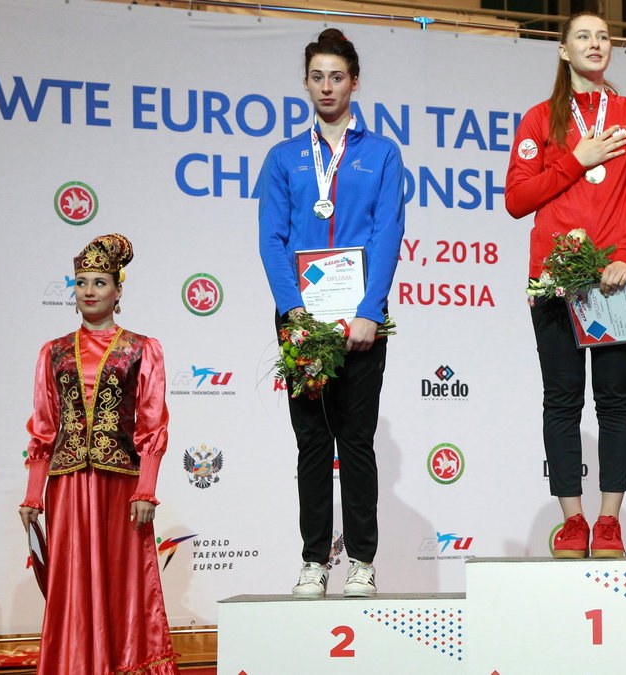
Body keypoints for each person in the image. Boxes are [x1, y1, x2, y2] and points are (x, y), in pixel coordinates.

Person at [505, 11, 626, 559]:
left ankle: (610, 520)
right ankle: (572, 520)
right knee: (562, 400)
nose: (596, 44)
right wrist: (577, 160)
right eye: (583, 37)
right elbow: (517, 200)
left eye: (603, 37)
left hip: (617, 282)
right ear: (563, 51)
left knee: (616, 402)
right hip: (555, 279)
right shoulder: (538, 120)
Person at [257, 28, 405, 598]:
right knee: (313, 443)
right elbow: (272, 240)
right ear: (305, 84)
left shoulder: (381, 153)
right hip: (301, 321)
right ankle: (314, 561)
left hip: (362, 318)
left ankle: (362, 561)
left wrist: (370, 310)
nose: (326, 86)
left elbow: (389, 233)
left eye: (336, 76)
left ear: (355, 83)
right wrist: (292, 311)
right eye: (317, 76)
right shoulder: (284, 157)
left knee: (357, 442)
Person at [19, 233, 179, 674]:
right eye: (82, 282)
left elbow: (152, 425)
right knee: (71, 582)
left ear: (118, 291)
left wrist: (146, 489)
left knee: (123, 580)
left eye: (100, 282)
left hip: (122, 485)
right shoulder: (51, 352)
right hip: (68, 487)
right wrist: (34, 495)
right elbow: (44, 429)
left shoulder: (142, 348)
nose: (89, 290)